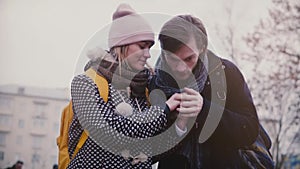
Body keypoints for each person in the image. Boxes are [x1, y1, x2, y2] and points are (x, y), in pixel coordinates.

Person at [67, 3, 181, 169]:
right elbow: (107, 132)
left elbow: (153, 151)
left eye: (149, 48)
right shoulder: (85, 83)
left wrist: (180, 124)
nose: (148, 54)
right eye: (142, 46)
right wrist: (163, 111)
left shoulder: (146, 88)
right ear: (121, 45)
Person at [149, 15, 261, 169]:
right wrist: (172, 121)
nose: (181, 68)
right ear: (163, 52)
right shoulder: (153, 83)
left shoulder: (226, 73)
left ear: (202, 48)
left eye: (189, 58)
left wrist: (205, 110)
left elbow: (249, 131)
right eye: (173, 59)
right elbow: (147, 152)